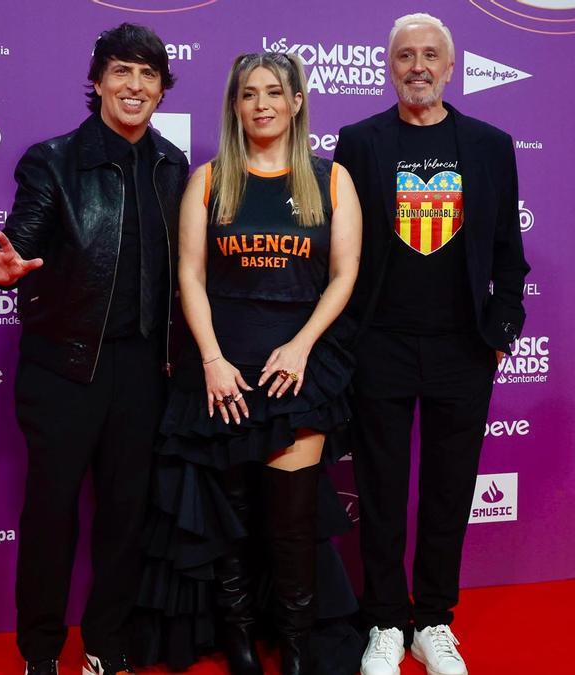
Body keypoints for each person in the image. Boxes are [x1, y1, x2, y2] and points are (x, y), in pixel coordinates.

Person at [134, 52, 363, 675]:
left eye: (273, 92)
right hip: (221, 374)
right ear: (235, 106)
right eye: (247, 93)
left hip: (298, 374)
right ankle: (239, 644)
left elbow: (344, 278)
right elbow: (189, 274)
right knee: (229, 520)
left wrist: (302, 345)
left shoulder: (330, 179)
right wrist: (209, 359)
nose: (261, 103)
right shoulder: (209, 179)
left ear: (296, 104)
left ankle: (293, 647)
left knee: (290, 527)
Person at [0, 23, 188, 675]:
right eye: (122, 70)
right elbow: (23, 237)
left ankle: (106, 644)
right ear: (96, 81)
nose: (135, 85)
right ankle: (40, 652)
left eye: (148, 74)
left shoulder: (170, 165)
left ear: (161, 90)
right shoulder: (53, 161)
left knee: (126, 517)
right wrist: (13, 266)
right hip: (64, 368)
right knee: (51, 515)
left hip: (145, 371)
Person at [333, 13, 530, 675]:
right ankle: (386, 620)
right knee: (382, 490)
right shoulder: (358, 143)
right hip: (379, 345)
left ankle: (434, 621)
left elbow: (508, 251)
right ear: (389, 68)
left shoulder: (490, 145)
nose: (417, 66)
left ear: (451, 68)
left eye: (430, 56)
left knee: (450, 489)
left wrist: (501, 332)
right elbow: (343, 249)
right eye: (405, 56)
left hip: (462, 348)